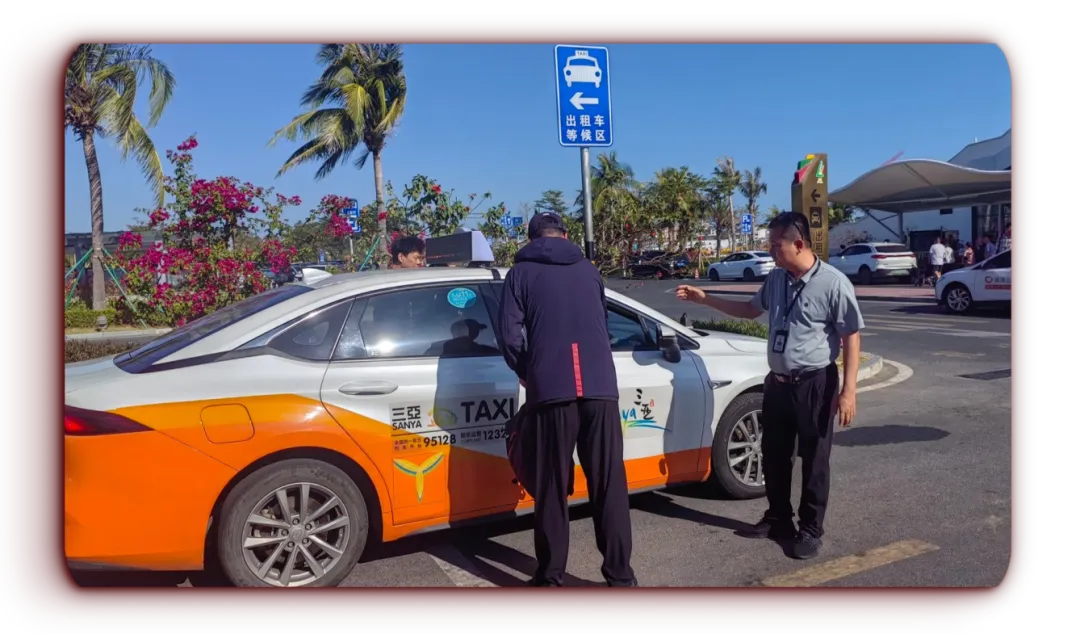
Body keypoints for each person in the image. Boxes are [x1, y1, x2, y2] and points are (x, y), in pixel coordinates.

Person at [675, 211, 864, 560]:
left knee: (815, 460)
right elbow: (750, 310)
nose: (771, 252)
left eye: (776, 246)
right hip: (777, 383)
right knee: (774, 454)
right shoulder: (777, 279)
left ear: (799, 243)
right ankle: (778, 518)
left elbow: (851, 336)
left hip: (815, 383)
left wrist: (848, 391)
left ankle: (810, 529)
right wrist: (705, 299)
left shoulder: (833, 283)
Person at [496, 211, 637, 588]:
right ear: (565, 235)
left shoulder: (520, 274)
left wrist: (528, 370)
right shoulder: (589, 270)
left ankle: (551, 576)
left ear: (531, 239)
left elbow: (509, 336)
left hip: (551, 389)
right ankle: (621, 577)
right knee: (608, 482)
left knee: (552, 486)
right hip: (600, 386)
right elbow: (601, 322)